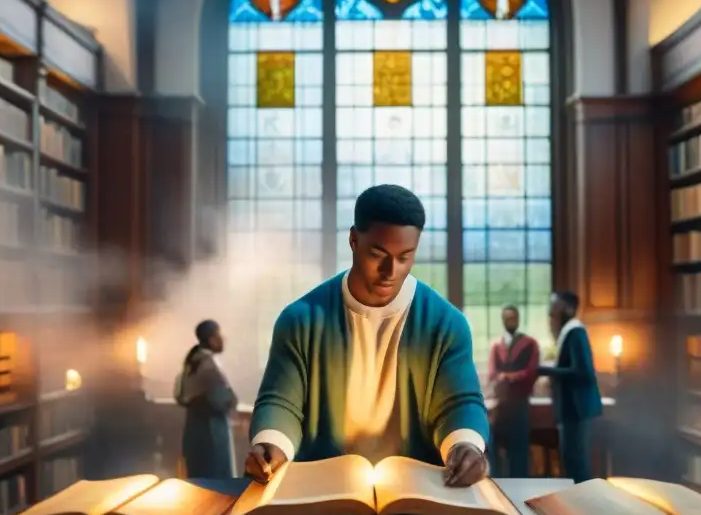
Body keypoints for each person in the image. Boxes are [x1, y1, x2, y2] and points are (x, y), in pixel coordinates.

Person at [245, 184, 489, 487]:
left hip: (417, 492)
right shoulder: (299, 320)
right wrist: (272, 444)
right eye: (378, 254)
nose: (391, 270)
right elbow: (282, 401)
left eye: (405, 257)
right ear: (353, 240)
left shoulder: (446, 324)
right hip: (321, 489)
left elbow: (459, 403)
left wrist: (464, 445)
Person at [538, 291, 602, 483]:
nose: (551, 311)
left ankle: (582, 508)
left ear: (568, 309)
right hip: (571, 410)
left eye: (555, 306)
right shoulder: (570, 333)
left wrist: (545, 370)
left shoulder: (576, 333)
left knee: (576, 464)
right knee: (571, 462)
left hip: (577, 410)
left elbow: (583, 372)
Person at [175, 319, 237, 478]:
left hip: (194, 430)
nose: (223, 339)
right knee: (217, 483)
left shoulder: (191, 362)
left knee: (198, 480)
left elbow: (180, 395)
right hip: (212, 432)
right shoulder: (209, 364)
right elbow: (224, 399)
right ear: (211, 339)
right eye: (219, 335)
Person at [488, 305, 539, 477]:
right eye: (507, 317)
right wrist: (500, 378)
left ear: (518, 319)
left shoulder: (530, 344)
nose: (510, 321)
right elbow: (492, 373)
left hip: (519, 404)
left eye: (513, 317)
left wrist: (508, 377)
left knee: (519, 452)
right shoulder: (496, 346)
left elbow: (531, 371)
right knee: (495, 451)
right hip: (501, 406)